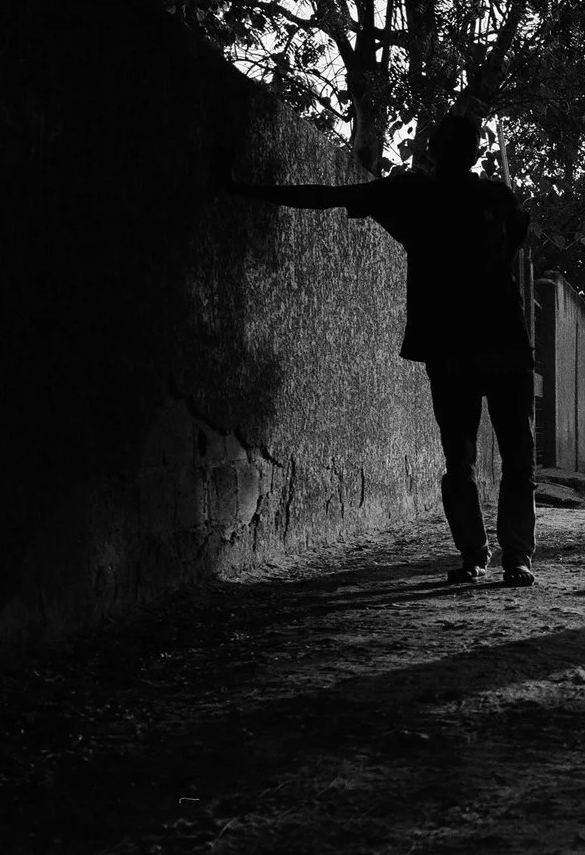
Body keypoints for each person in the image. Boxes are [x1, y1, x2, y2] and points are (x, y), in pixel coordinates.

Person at [225, 116, 538, 588]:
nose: (466, 151)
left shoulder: (424, 195)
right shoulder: (485, 197)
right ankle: (502, 556)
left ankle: (491, 555)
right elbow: (328, 196)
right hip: (487, 344)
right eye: (465, 143)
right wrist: (246, 190)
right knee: (494, 459)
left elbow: (327, 196)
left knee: (476, 460)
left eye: (466, 143)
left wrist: (245, 190)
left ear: (435, 147)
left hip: (468, 346)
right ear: (459, 150)